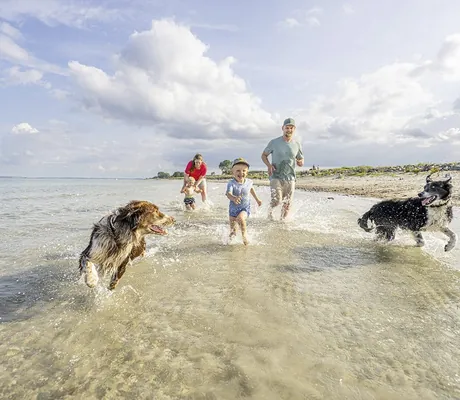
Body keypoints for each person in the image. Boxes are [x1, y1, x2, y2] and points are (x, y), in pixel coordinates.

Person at [261, 117, 304, 220]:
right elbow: (263, 155)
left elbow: (301, 159)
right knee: (277, 201)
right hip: (276, 175)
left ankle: (282, 223)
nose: (289, 130)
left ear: (294, 129)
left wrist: (300, 162)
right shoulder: (274, 142)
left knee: (287, 203)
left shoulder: (297, 144)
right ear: (282, 128)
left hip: (290, 177)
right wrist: (269, 165)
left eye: (291, 128)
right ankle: (269, 214)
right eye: (287, 128)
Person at [225, 158, 262, 245]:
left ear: (247, 172)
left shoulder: (249, 182)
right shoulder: (231, 183)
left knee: (241, 218)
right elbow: (228, 193)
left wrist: (257, 199)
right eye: (238, 170)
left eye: (244, 170)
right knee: (233, 232)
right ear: (232, 172)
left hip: (244, 208)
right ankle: (230, 247)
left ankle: (244, 235)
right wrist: (234, 198)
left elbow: (251, 189)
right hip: (233, 210)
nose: (241, 173)